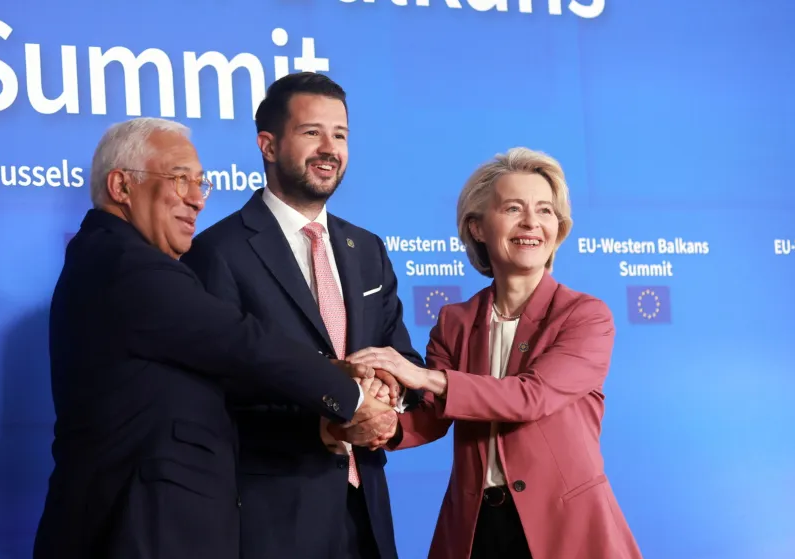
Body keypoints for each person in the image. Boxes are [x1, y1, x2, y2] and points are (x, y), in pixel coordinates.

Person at [32, 117, 394, 559]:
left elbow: (226, 378)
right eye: (179, 179)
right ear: (121, 187)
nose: (197, 200)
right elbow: (242, 344)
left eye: (201, 183)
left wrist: (333, 379)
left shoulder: (118, 261)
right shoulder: (124, 265)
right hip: (134, 530)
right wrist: (350, 396)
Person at [346, 148, 643, 559]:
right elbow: (432, 416)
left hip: (568, 529)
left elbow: (530, 397)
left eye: (544, 211)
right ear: (478, 227)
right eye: (513, 208)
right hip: (474, 529)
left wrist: (426, 377)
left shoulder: (586, 316)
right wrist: (379, 425)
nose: (531, 223)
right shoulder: (455, 320)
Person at [180, 72, 422, 559]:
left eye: (341, 134)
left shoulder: (367, 249)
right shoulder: (218, 252)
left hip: (366, 515)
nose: (329, 148)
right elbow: (210, 395)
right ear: (268, 146)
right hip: (273, 520)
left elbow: (402, 357)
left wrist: (386, 398)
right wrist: (328, 422)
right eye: (312, 132)